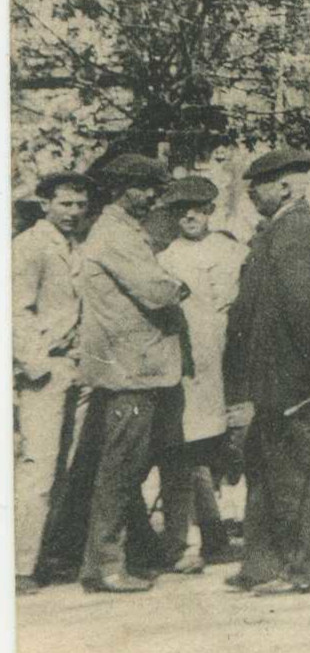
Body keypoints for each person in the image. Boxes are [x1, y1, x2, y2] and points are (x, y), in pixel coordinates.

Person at [225, 147, 310, 595]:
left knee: (293, 474)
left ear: (282, 187)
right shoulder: (279, 231)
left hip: (292, 377)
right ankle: (261, 564)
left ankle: (306, 569)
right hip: (274, 374)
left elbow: (304, 311)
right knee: (264, 467)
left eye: (255, 187)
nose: (251, 196)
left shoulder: (295, 232)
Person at [74, 154, 189, 594]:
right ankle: (104, 565)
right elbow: (158, 291)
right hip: (131, 370)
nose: (153, 196)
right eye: (146, 188)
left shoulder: (122, 231)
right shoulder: (114, 235)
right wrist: (179, 285)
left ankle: (123, 556)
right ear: (124, 189)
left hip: (140, 368)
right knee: (120, 470)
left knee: (126, 468)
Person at [155, 176, 245, 572]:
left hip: (230, 365)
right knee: (188, 451)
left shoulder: (234, 253)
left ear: (210, 211)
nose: (188, 216)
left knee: (232, 450)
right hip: (189, 369)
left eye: (196, 208)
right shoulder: (165, 259)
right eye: (180, 210)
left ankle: (230, 532)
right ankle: (190, 539)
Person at [14, 171, 91, 593]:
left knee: (66, 468)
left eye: (80, 205)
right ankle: (20, 565)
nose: (74, 212)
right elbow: (14, 310)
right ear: (45, 204)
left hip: (75, 368)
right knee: (38, 469)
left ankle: (49, 554)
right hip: (44, 369)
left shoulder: (77, 247)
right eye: (65, 204)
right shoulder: (27, 248)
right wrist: (35, 363)